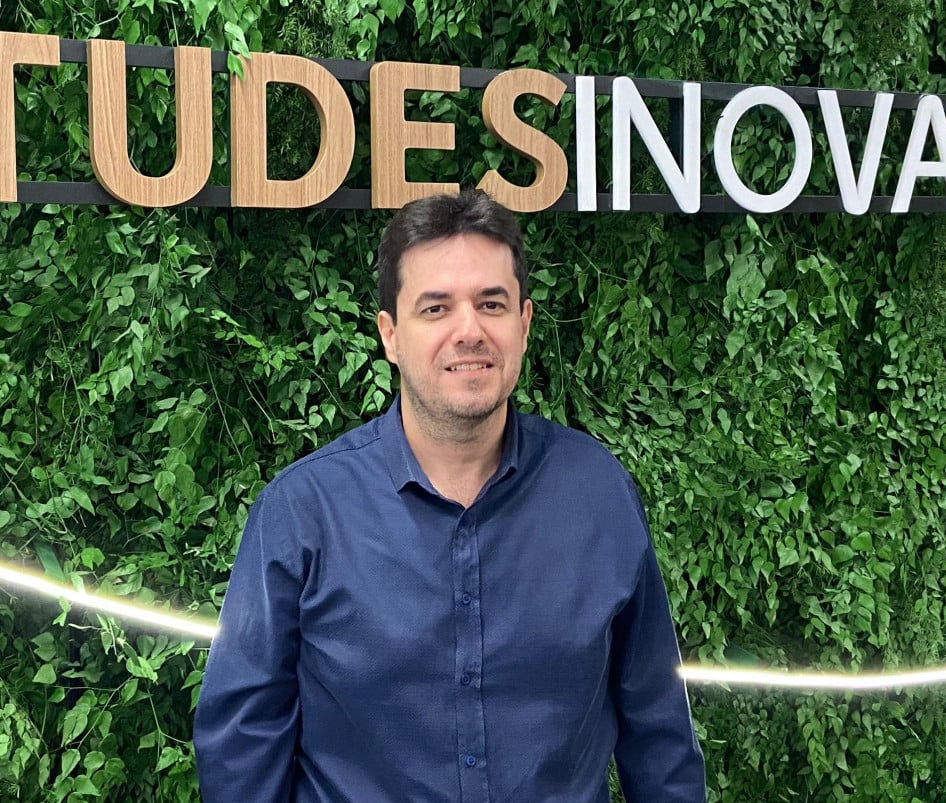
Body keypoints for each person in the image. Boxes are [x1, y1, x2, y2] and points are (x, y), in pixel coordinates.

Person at [194, 189, 707, 802]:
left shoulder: (598, 494)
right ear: (390, 336)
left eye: (491, 304)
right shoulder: (303, 513)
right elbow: (242, 746)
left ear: (523, 324)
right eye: (435, 308)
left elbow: (658, 727)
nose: (469, 331)